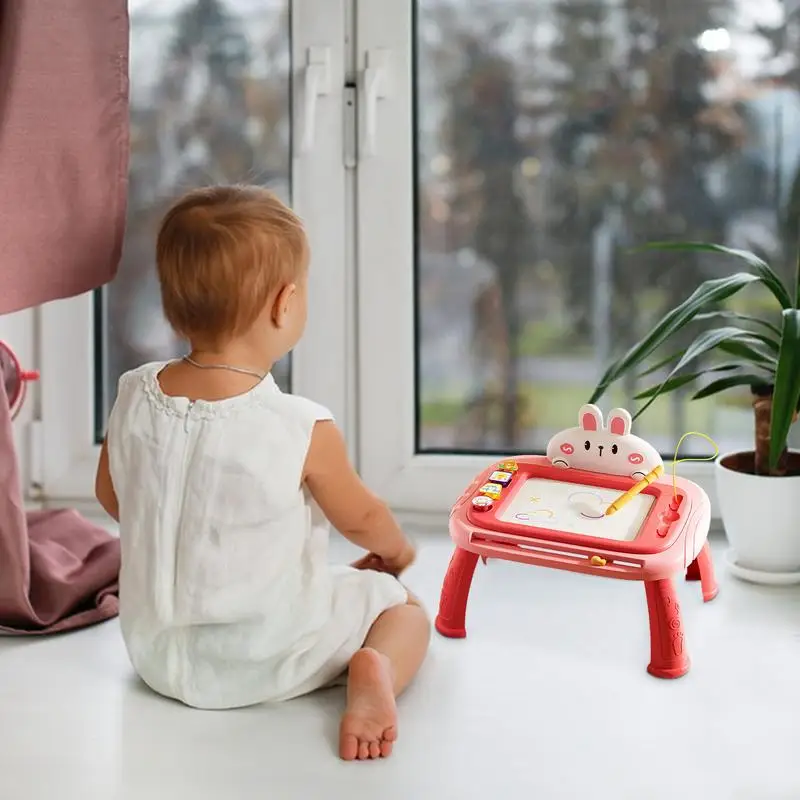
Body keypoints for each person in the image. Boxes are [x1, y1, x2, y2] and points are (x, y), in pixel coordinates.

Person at [94, 185, 430, 761]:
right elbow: (364, 517)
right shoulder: (298, 424)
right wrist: (396, 553)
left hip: (155, 654)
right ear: (284, 304)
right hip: (266, 655)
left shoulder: (133, 394)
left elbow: (114, 495)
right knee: (402, 609)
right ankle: (374, 671)